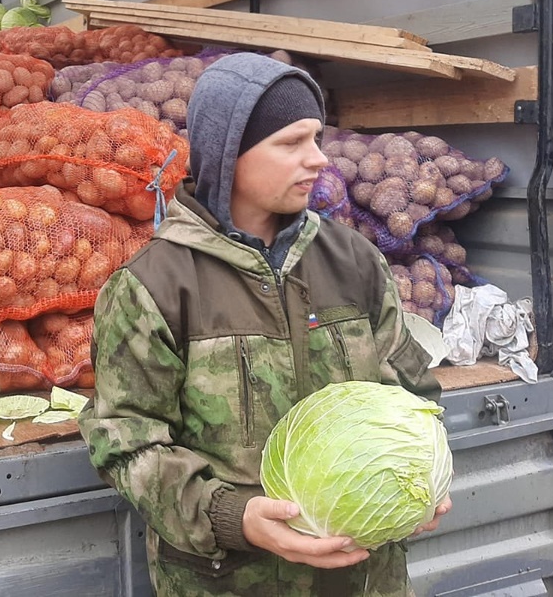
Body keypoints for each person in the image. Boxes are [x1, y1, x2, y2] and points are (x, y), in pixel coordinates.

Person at [78, 52, 451, 597]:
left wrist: (426, 479)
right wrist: (234, 517)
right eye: (292, 142)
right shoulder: (152, 286)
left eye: (317, 139)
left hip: (366, 580)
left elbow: (414, 394)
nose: (319, 159)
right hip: (228, 583)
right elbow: (125, 444)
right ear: (230, 153)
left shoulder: (354, 260)